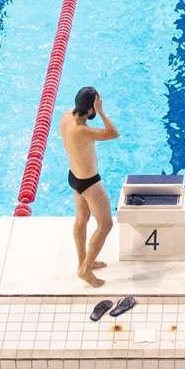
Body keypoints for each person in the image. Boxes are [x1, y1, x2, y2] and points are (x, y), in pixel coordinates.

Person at [59, 85, 119, 287]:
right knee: (105, 225)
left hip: (74, 177)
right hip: (89, 182)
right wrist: (101, 111)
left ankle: (83, 262)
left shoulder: (66, 117)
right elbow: (113, 133)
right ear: (91, 109)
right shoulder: (83, 131)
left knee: (82, 220)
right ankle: (85, 270)